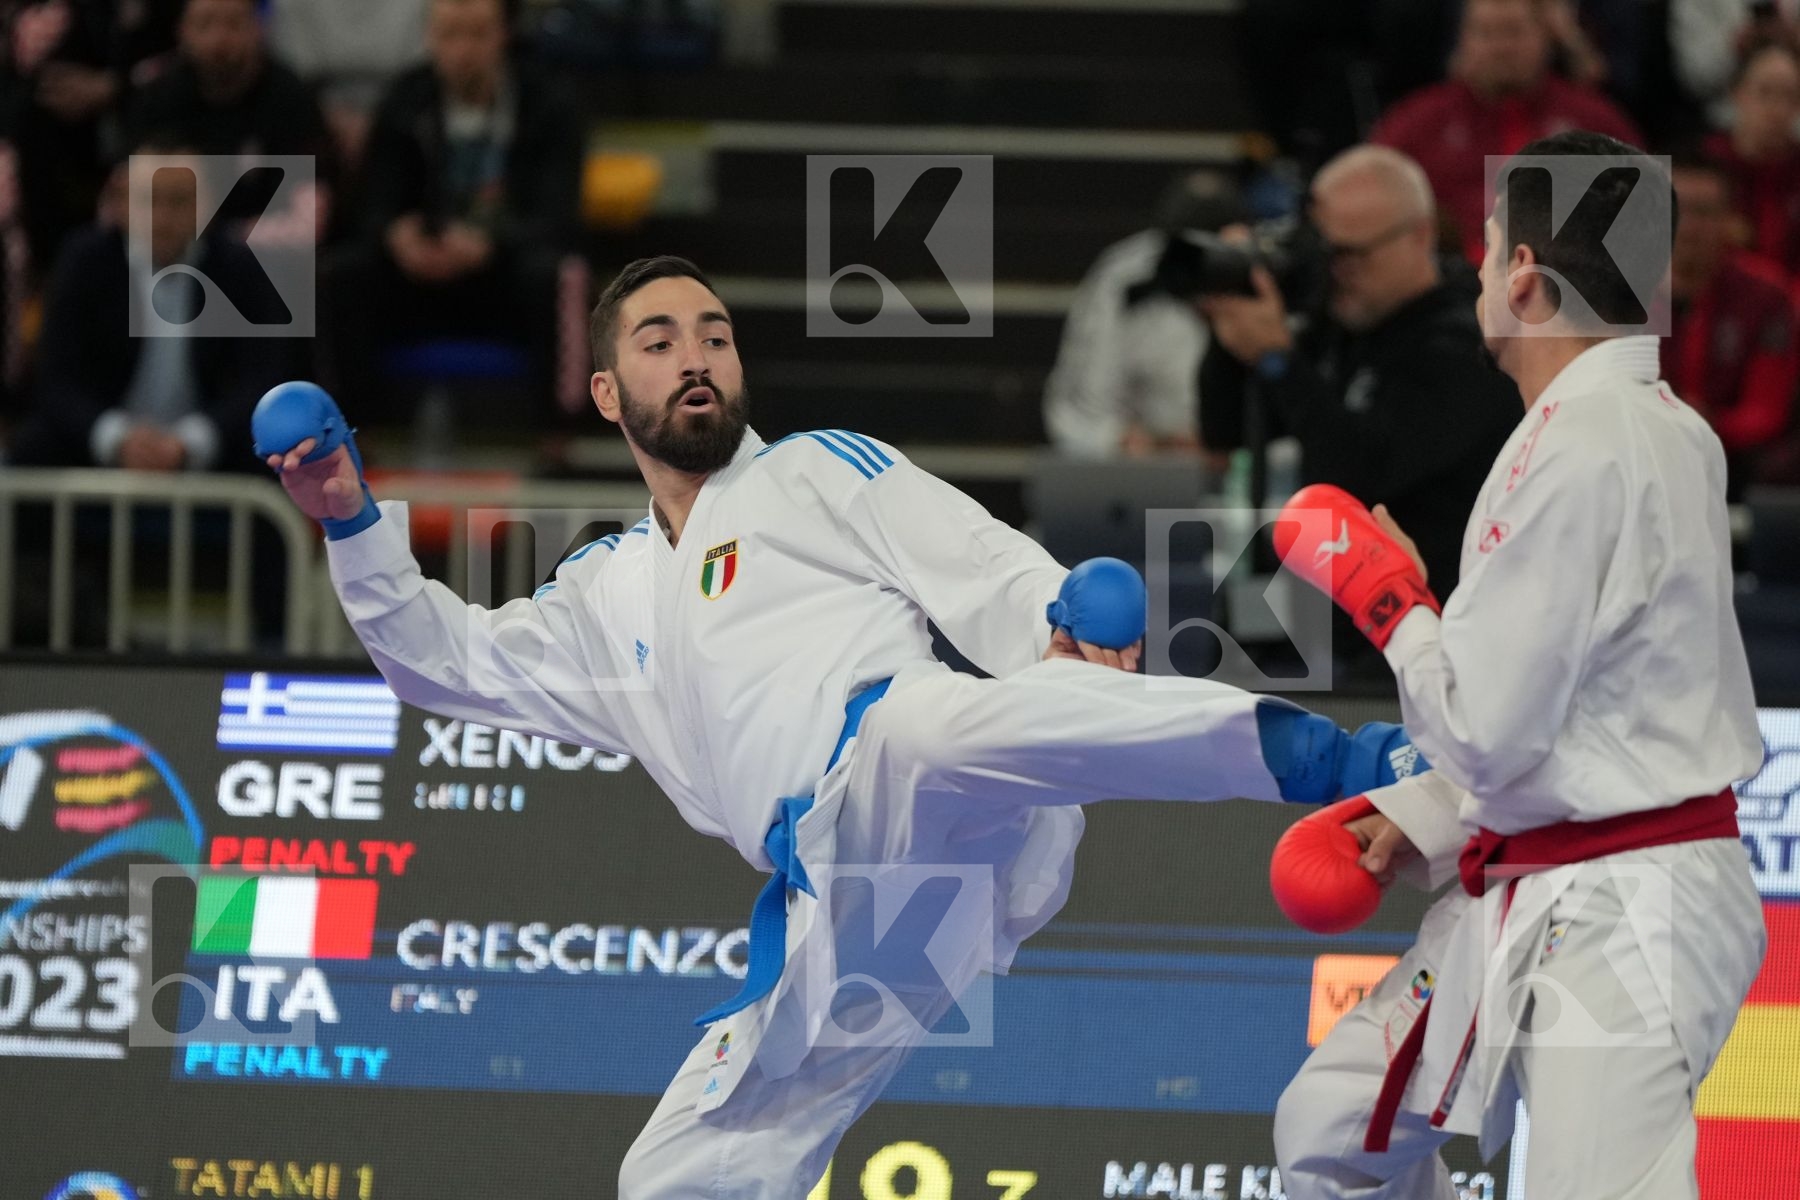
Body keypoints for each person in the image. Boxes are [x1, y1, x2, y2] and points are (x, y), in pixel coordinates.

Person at [260, 255, 1426, 1197]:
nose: (699, 356)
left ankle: (1359, 762)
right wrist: (350, 519)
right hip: (856, 914)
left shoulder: (817, 471)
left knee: (918, 735)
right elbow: (437, 665)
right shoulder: (600, 594)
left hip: (937, 791)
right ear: (609, 394)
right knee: (673, 1175)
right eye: (660, 342)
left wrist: (1053, 619)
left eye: (715, 333)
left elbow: (972, 556)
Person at [1272, 131, 1765, 1198]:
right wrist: (1434, 815)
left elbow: (1494, 726)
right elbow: (1585, 699)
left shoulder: (1587, 445)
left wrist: (1391, 600)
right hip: (1557, 871)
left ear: (1529, 280)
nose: (1479, 273)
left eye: (1491, 252)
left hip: (1627, 901)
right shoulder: (1650, 428)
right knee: (1332, 1131)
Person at [1200, 145, 1521, 677]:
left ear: (1418, 235)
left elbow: (1361, 474)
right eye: (1326, 253)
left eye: (1353, 255)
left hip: (1428, 631)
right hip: (1330, 610)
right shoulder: (1346, 322)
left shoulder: (1467, 344)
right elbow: (1223, 430)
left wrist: (1279, 360)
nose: (1337, 272)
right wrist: (1234, 316)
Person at [320, 0, 581, 419]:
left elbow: (558, 215)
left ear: (503, 36)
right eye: (451, 35)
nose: (464, 49)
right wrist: (395, 234)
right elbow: (372, 203)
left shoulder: (547, 102)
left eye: (478, 34)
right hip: (418, 274)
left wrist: (490, 243)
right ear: (430, 39)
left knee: (557, 274)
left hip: (502, 274)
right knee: (345, 272)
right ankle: (355, 429)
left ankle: (558, 435)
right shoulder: (407, 98)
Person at [10, 140, 292, 471]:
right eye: (149, 200)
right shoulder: (84, 260)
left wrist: (193, 439)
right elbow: (55, 377)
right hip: (103, 441)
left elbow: (262, 377)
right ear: (121, 202)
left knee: (276, 457)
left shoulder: (240, 267)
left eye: (179, 201)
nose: (162, 217)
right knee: (33, 449)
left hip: (207, 447)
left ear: (207, 204)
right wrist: (116, 436)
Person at [1371, 0, 1642, 263]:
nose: (1500, 47)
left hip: (1569, 286)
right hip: (1450, 283)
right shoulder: (1418, 122)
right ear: (1462, 40)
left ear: (1546, 36)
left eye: (1513, 31)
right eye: (1485, 33)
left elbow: (1644, 207)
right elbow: (1370, 192)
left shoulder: (1593, 120)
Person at [1043, 170, 1244, 460]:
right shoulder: (1125, 276)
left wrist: (1237, 448)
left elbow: (1297, 413)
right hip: (1153, 473)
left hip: (1249, 470)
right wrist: (1127, 440)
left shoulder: (1267, 280)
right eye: (1183, 253)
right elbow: (1080, 406)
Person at [1665, 153, 1798, 500]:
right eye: (1677, 209)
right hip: (1640, 448)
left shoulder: (1766, 295)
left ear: (1729, 221)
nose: (1690, 226)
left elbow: (1767, 412)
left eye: (1705, 213)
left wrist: (1700, 423)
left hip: (1733, 460)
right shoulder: (1617, 291)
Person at [1701, 38, 1800, 277]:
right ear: (1738, 93)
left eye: (1790, 96)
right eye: (1765, 92)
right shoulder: (1705, 165)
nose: (1778, 109)